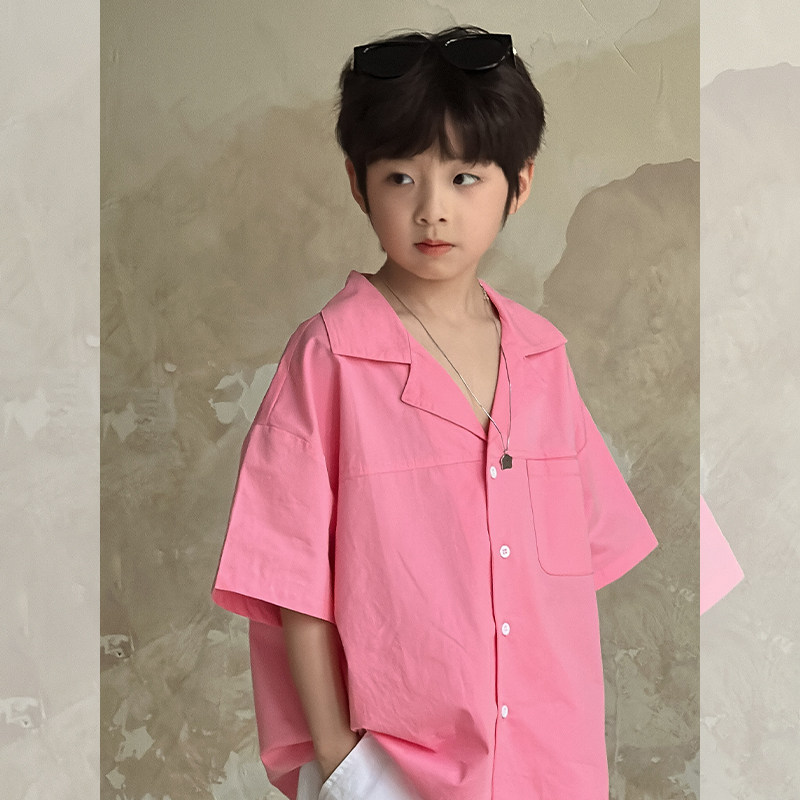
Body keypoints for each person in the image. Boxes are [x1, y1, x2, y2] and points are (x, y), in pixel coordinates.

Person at [212, 25, 659, 800]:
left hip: (552, 768)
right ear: (358, 184)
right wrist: (344, 763)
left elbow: (571, 577)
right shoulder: (330, 359)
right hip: (390, 773)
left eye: (464, 178)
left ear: (519, 183)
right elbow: (292, 584)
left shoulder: (542, 358)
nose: (432, 211)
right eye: (400, 178)